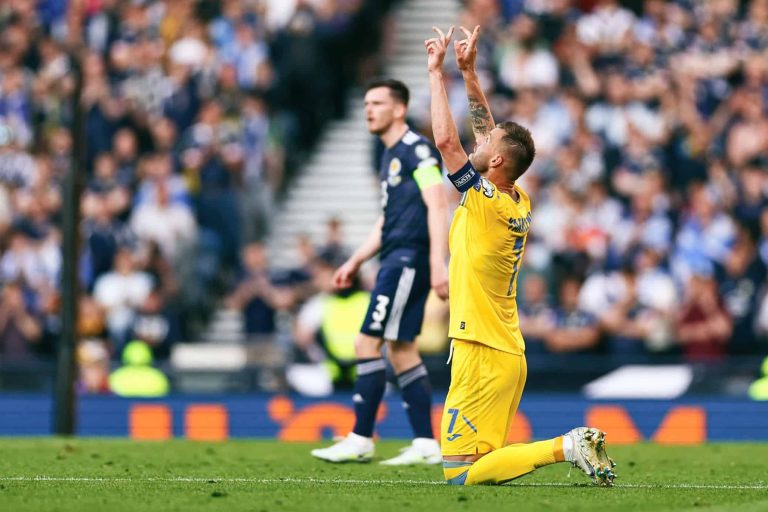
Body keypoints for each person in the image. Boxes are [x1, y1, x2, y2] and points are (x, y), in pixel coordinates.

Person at [425, 25, 615, 486]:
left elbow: (448, 145)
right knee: (482, 465)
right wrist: (469, 73)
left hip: (481, 350)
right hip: (507, 349)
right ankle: (566, 447)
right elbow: (491, 137)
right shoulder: (516, 199)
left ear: (494, 164)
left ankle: (566, 445)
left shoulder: (486, 202)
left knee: (458, 475)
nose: (478, 143)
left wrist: (436, 74)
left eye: (484, 148)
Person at [311, 78, 449, 465]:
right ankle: (425, 443)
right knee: (402, 350)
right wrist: (355, 261)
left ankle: (360, 438)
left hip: (407, 259)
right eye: (366, 103)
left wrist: (438, 262)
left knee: (365, 344)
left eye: (377, 103)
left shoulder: (416, 149)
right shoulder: (390, 156)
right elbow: (388, 220)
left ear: (399, 109)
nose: (368, 109)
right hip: (396, 255)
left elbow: (438, 204)